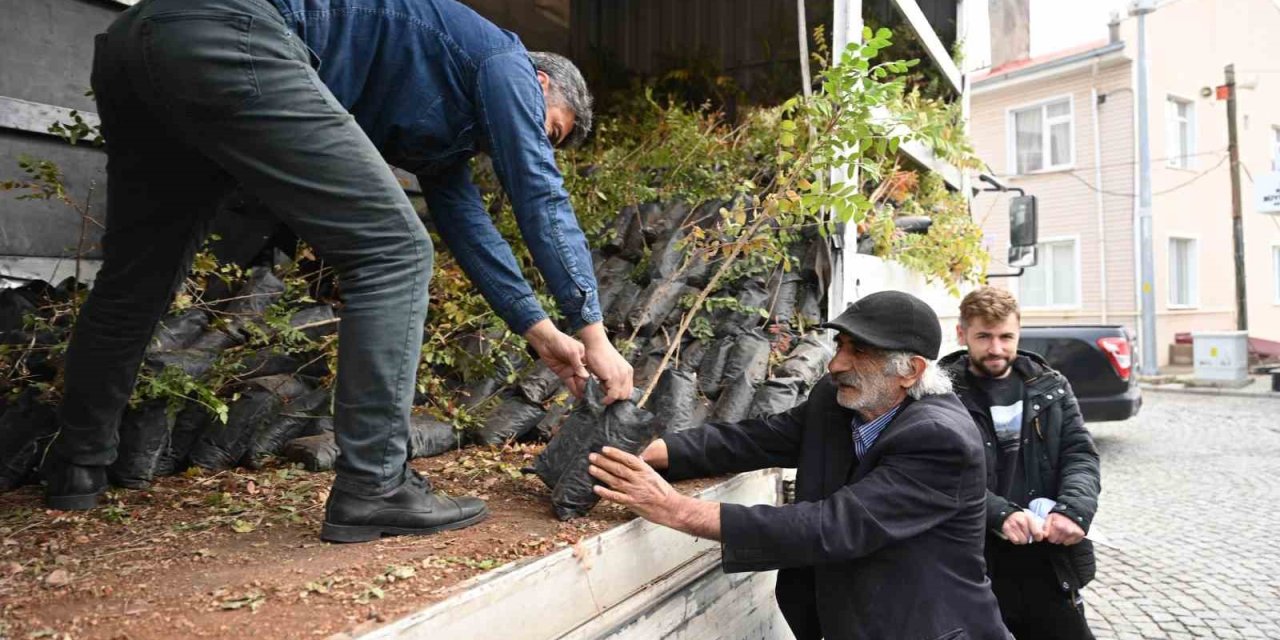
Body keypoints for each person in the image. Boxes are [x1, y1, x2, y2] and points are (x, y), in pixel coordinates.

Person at [43, 0, 634, 544]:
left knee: (138, 276)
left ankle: (78, 465)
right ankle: (374, 486)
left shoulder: (451, 125)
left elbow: (470, 228)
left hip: (141, 42)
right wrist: (593, 331)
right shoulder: (505, 61)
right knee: (396, 251)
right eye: (545, 127)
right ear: (540, 84)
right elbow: (540, 194)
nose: (529, 138)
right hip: (233, 31)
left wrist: (540, 331)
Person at [589, 291, 1011, 640]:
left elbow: (832, 526)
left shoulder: (941, 439)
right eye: (840, 346)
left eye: (857, 351)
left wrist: (676, 510)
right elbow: (754, 440)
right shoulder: (839, 401)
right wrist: (647, 452)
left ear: (910, 370)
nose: (835, 364)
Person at [940, 286, 1101, 639]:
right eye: (983, 336)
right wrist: (998, 513)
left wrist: (1073, 510)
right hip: (971, 563)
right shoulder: (938, 396)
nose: (996, 348)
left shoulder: (1051, 387)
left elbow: (1079, 454)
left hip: (1046, 562)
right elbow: (934, 477)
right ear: (961, 333)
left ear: (1018, 333)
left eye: (1005, 336)